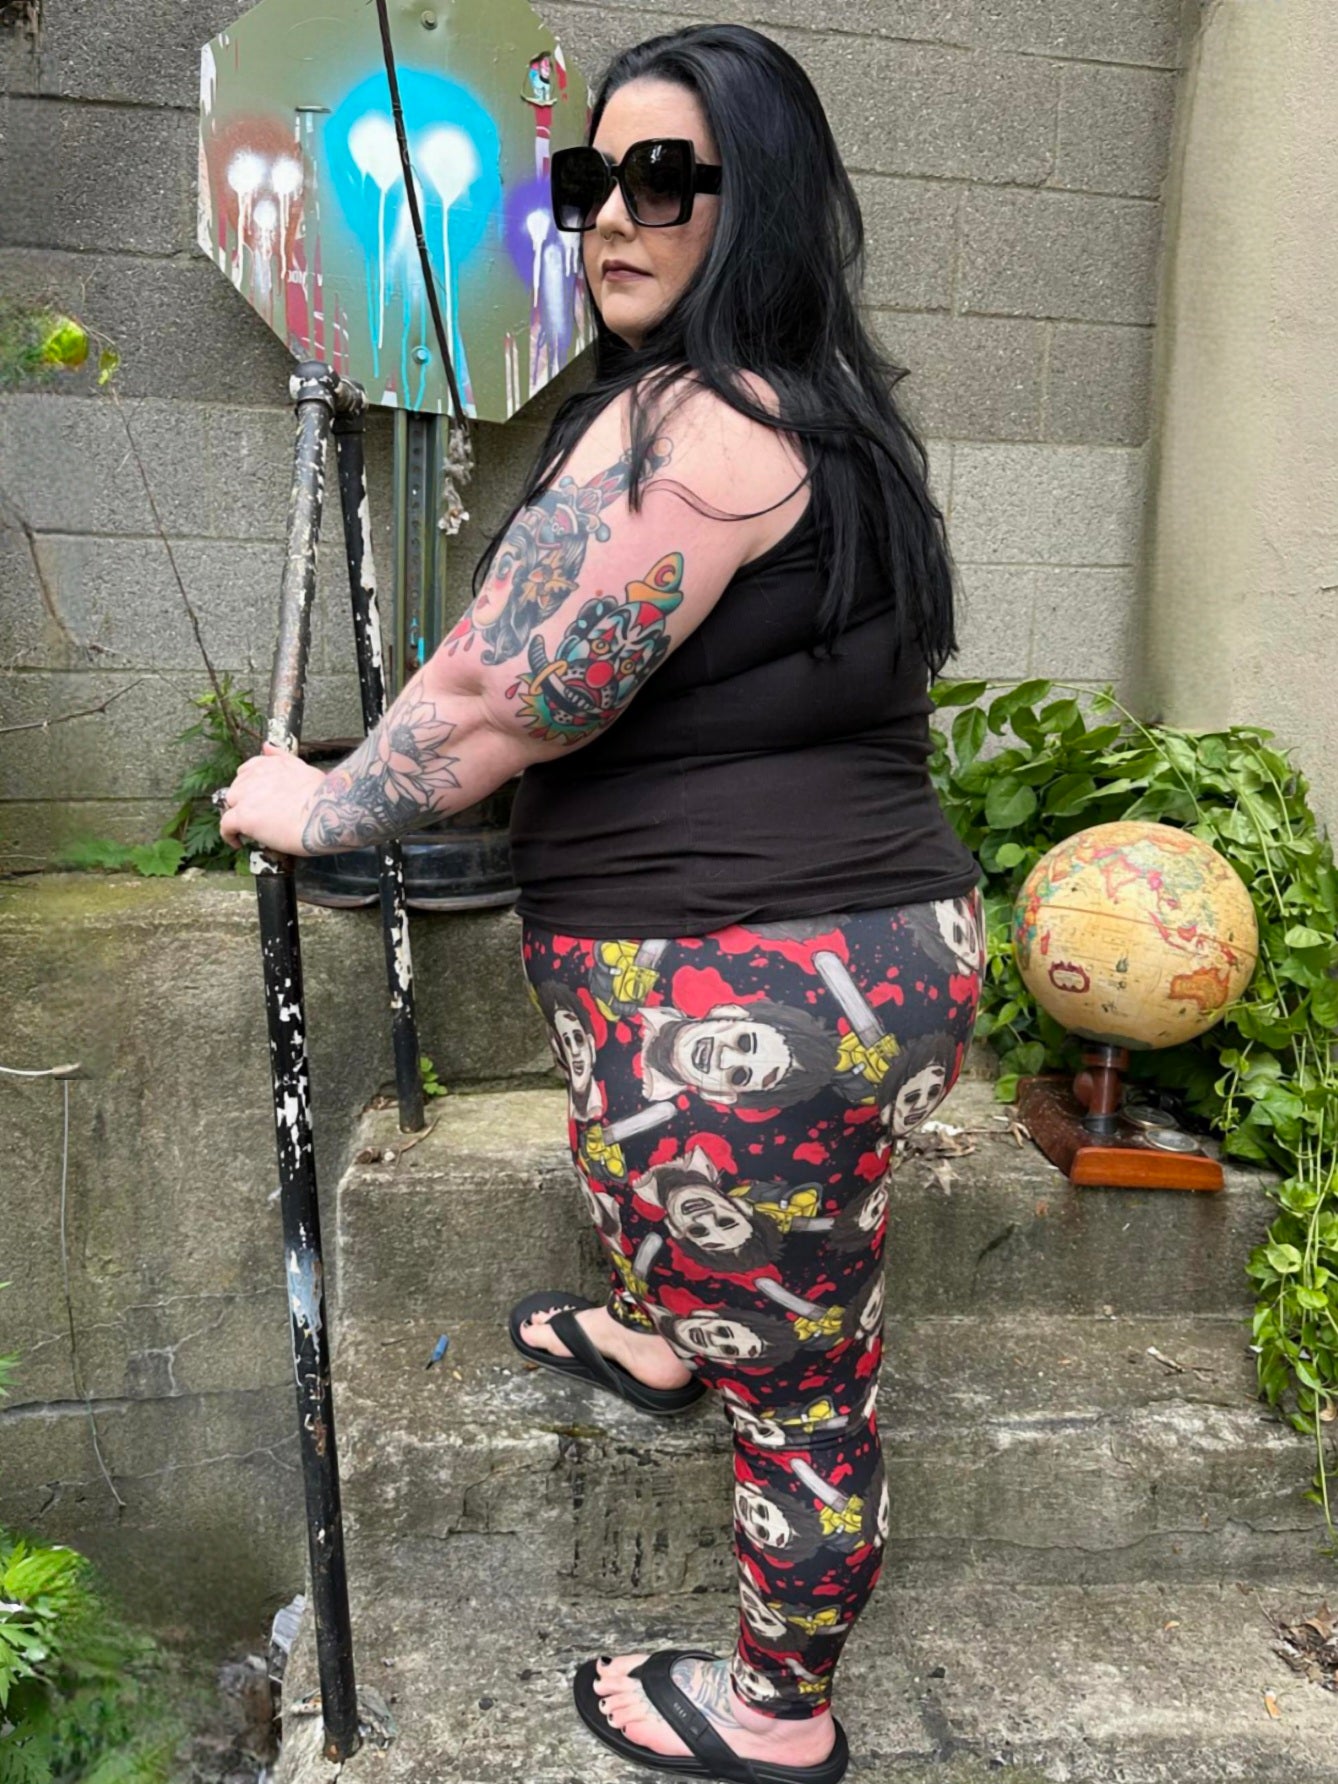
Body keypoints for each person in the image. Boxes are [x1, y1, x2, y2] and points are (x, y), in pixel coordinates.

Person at [221, 23, 984, 1784]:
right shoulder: (828, 414)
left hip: (748, 996)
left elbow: (511, 695)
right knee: (676, 1207)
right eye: (589, 179)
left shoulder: (699, 424)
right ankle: (659, 1333)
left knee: (803, 1384)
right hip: (814, 967)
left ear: (756, 197)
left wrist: (319, 806)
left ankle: (776, 1712)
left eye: (662, 178)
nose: (612, 215)